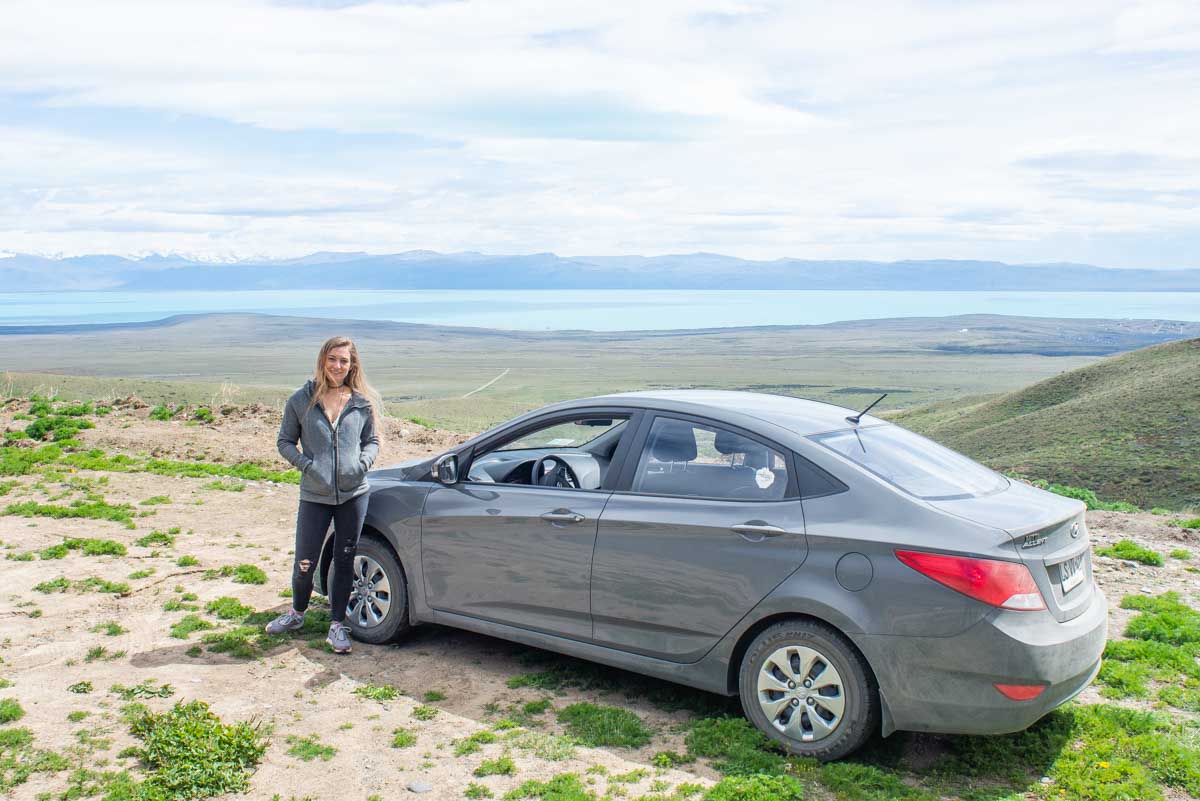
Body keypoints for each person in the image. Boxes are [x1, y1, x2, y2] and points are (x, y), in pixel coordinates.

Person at [268, 336, 382, 654]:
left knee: (344, 560)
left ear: (352, 365)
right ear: (322, 360)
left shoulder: (361, 402)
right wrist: (307, 465)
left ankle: (336, 626)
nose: (337, 366)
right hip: (314, 495)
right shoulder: (300, 400)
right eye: (332, 359)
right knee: (305, 561)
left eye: (344, 361)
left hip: (353, 495)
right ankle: (296, 614)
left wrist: (363, 462)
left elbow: (372, 440)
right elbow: (285, 442)